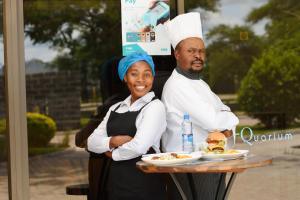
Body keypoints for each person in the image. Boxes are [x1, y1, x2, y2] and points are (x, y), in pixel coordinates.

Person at [161, 12, 239, 200]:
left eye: (201, 51)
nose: (198, 56)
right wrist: (225, 119)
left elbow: (223, 119)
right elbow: (214, 121)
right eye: (191, 51)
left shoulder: (200, 84)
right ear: (177, 54)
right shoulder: (177, 86)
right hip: (190, 170)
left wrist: (224, 121)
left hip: (208, 165)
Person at [87, 52, 167, 200]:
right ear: (125, 77)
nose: (141, 80)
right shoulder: (116, 108)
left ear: (153, 78)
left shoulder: (155, 107)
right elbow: (91, 142)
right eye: (134, 74)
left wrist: (113, 153)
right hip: (115, 184)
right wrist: (113, 141)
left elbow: (139, 146)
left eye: (147, 74)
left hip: (145, 186)